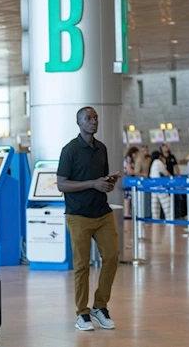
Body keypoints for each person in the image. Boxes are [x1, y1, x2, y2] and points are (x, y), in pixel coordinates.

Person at [56, 106, 120, 332]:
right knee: (82, 265)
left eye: (95, 118)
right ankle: (81, 312)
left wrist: (106, 183)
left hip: (102, 212)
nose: (94, 122)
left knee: (112, 257)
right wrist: (93, 183)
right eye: (88, 118)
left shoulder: (101, 149)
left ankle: (100, 306)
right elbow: (62, 184)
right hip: (78, 216)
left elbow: (100, 178)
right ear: (79, 122)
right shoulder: (70, 150)